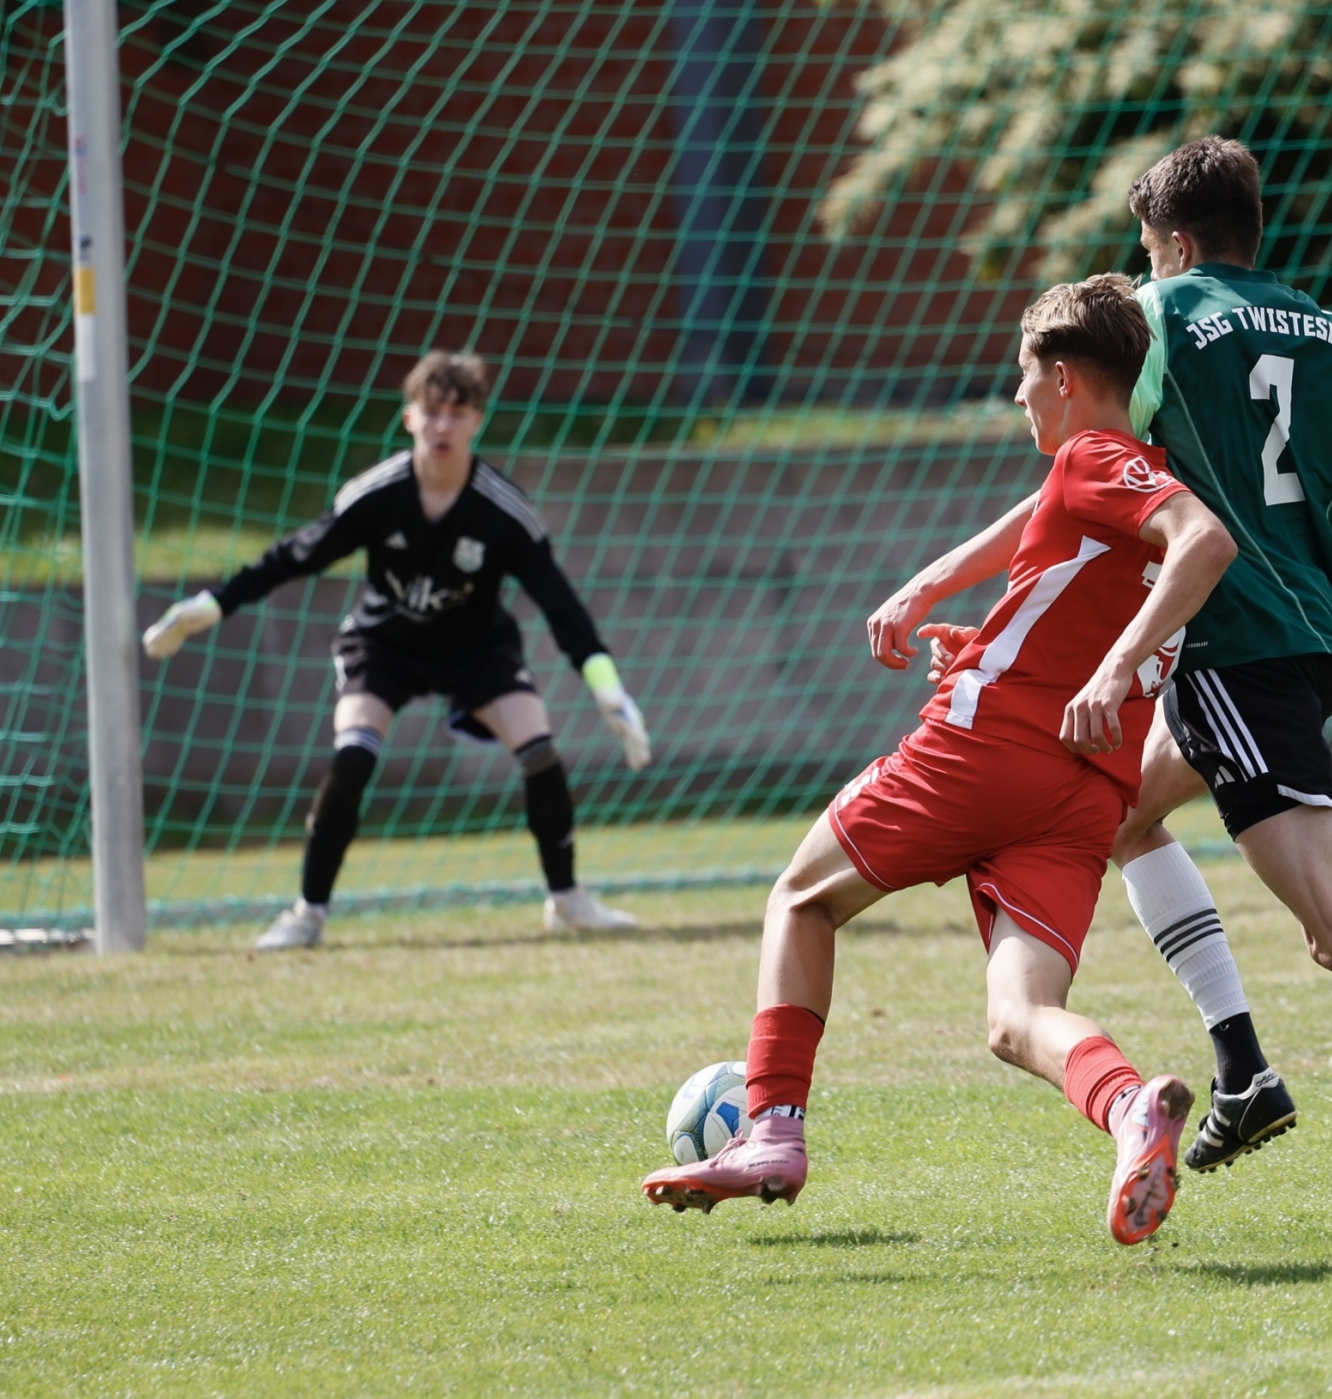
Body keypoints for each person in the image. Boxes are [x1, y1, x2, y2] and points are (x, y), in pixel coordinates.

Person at [903, 139, 1332, 1257]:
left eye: (1147, 250)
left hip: (1238, 652)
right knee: (1121, 812)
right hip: (1317, 647)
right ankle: (1242, 1068)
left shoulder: (1159, 320)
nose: (1144, 268)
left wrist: (949, 590)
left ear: (1176, 245)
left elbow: (1079, 485)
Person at [641, 275, 1240, 1244]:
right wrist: (950, 608)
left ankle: (771, 1131)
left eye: (1023, 375)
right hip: (1085, 791)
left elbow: (1205, 545)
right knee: (1019, 1016)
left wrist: (1106, 668)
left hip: (985, 754)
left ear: (1065, 377)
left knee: (801, 898)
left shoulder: (1094, 456)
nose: (1017, 395)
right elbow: (1062, 573)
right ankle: (1131, 1106)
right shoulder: (1125, 476)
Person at [142, 351, 652, 950]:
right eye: (431, 412)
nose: (443, 426)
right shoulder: (377, 494)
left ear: (477, 421)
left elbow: (561, 606)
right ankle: (307, 914)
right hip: (384, 645)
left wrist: (607, 688)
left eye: (457, 413)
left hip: (476, 649)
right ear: (410, 418)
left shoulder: (504, 511)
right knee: (354, 756)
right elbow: (296, 554)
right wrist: (213, 604)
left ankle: (567, 900)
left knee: (540, 752)